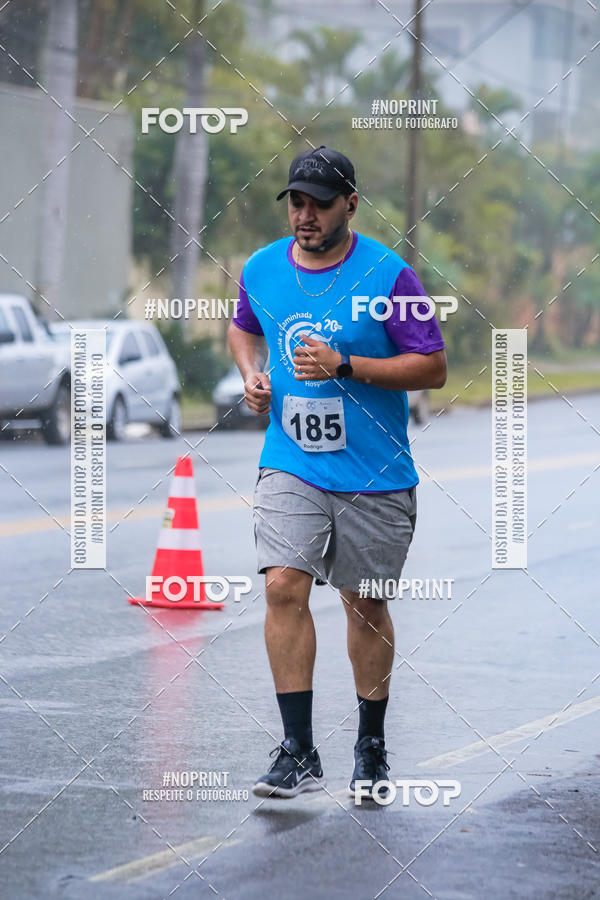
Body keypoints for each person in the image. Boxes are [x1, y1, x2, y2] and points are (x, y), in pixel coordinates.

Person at [228, 146, 447, 799]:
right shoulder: (262, 268)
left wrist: (346, 366)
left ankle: (370, 744)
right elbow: (243, 327)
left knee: (365, 603)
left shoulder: (390, 275)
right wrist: (253, 376)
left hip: (374, 473)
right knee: (282, 587)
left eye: (320, 204)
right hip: (290, 461)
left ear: (350, 203)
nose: (306, 215)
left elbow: (432, 366)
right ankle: (297, 750)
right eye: (297, 202)